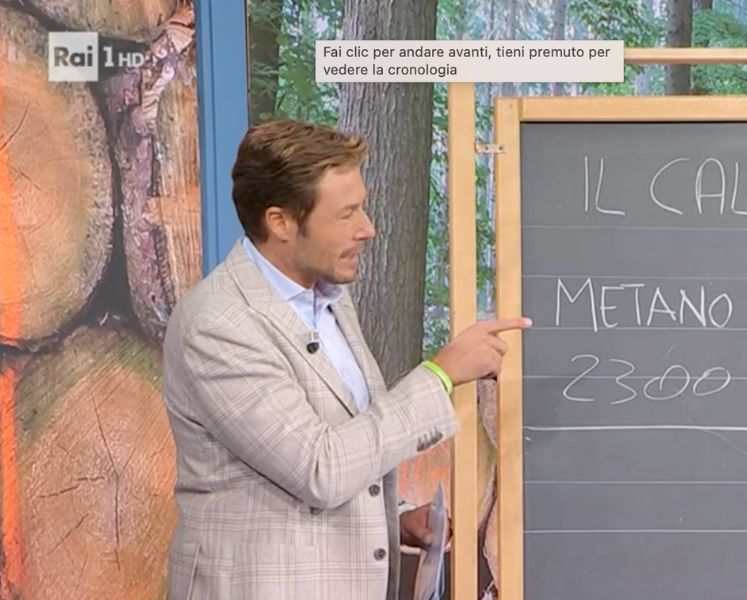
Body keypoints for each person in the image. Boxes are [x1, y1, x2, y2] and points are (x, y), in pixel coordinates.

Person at [160, 118, 529, 600]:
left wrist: (394, 519)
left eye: (363, 208)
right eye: (346, 214)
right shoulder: (219, 325)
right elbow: (320, 467)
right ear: (280, 222)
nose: (367, 229)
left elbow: (335, 444)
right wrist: (440, 375)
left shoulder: (329, 298)